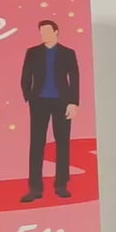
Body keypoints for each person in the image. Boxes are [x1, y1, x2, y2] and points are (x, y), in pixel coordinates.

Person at [19, 19, 81, 201]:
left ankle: (61, 185)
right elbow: (25, 77)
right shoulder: (32, 52)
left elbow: (74, 78)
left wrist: (73, 103)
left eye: (47, 31)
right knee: (37, 144)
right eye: (41, 32)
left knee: (63, 143)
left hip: (62, 103)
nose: (44, 35)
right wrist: (29, 97)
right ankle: (35, 189)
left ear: (56, 32)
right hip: (39, 103)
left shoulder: (68, 53)